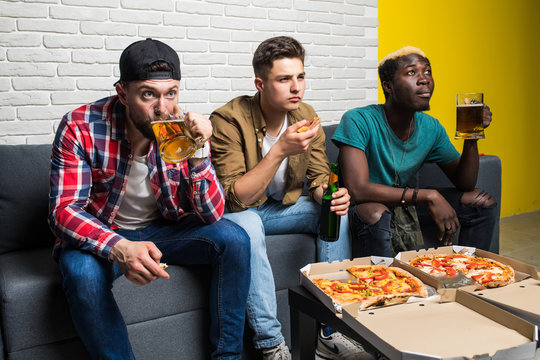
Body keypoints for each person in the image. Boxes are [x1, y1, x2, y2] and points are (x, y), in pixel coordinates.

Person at [48, 38, 251, 360]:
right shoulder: (81, 126)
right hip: (106, 234)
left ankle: (227, 357)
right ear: (122, 94)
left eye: (171, 93)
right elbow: (64, 211)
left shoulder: (182, 129)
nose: (163, 107)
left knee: (235, 238)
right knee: (81, 273)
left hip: (161, 231)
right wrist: (119, 246)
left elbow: (212, 215)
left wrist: (200, 154)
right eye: (148, 94)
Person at [210, 36, 375, 360]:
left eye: (300, 76)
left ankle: (330, 331)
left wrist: (329, 195)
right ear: (260, 83)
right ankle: (271, 344)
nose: (295, 87)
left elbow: (316, 177)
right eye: (284, 79)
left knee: (333, 214)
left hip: (280, 209)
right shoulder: (227, 119)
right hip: (241, 212)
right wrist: (280, 150)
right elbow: (233, 199)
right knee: (247, 225)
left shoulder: (306, 114)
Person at [334, 46, 497, 258]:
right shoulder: (358, 120)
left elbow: (465, 183)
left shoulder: (431, 127)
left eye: (427, 71)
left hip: (402, 204)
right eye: (412, 72)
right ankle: (383, 285)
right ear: (388, 85)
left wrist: (471, 136)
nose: (424, 79)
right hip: (361, 208)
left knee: (481, 202)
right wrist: (429, 196)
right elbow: (358, 190)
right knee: (375, 212)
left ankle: (472, 274)